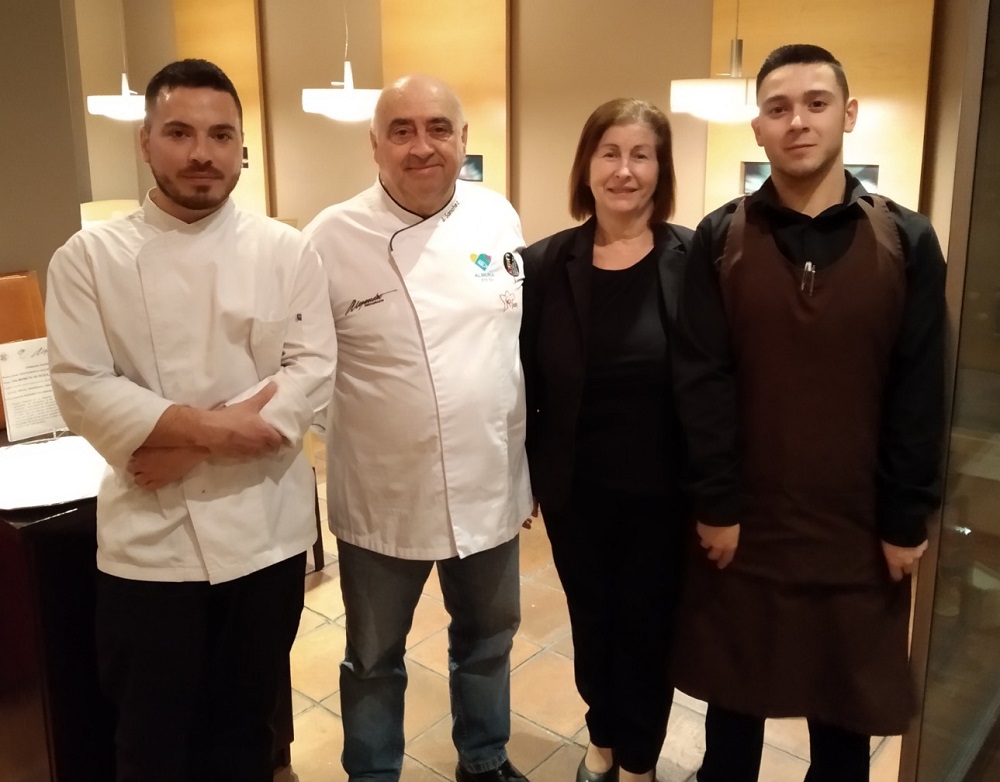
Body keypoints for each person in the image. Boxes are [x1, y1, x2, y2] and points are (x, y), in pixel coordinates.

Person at [45, 59, 337, 782]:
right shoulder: (88, 259)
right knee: (151, 742)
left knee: (247, 731)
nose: (202, 152)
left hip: (264, 537)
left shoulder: (285, 249)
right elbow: (81, 386)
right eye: (179, 132)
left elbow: (310, 372)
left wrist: (182, 448)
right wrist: (214, 436)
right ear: (145, 141)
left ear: (243, 147)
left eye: (220, 135)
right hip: (152, 544)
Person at [670, 44, 946, 782]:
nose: (798, 122)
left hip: (857, 534)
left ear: (848, 115)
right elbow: (702, 380)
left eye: (817, 104)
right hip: (745, 529)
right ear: (757, 127)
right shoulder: (721, 237)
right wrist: (716, 503)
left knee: (842, 732)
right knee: (732, 731)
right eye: (779, 108)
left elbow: (920, 390)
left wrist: (904, 518)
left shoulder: (905, 239)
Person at [303, 75, 532, 782]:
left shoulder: (498, 217)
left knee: (489, 640)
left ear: (464, 139)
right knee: (373, 658)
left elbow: (514, 350)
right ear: (375, 144)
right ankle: (373, 774)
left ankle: (484, 759)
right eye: (401, 130)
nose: (421, 145)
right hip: (383, 495)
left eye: (438, 127)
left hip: (488, 482)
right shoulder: (328, 237)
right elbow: (304, 369)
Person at [519, 98, 692, 782]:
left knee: (650, 629)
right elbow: (526, 379)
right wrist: (524, 475)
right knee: (592, 622)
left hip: (664, 493)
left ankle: (641, 758)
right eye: (610, 153)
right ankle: (604, 732)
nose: (625, 170)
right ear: (587, 166)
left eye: (641, 154)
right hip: (576, 491)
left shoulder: (693, 258)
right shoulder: (543, 264)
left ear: (660, 168)